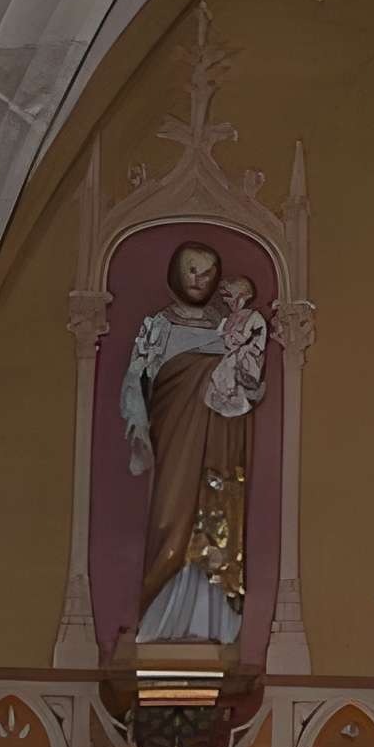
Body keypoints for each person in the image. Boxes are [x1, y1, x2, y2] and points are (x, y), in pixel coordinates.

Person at [120, 242, 266, 644]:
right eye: (191, 270)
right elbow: (137, 380)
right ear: (175, 273)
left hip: (221, 442)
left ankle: (212, 617)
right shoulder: (159, 326)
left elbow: (248, 381)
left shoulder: (230, 326)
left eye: (207, 273)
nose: (199, 280)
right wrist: (138, 423)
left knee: (217, 512)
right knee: (171, 513)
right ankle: (160, 615)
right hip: (174, 438)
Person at [206, 276, 267, 420]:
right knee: (218, 374)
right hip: (228, 357)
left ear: (243, 296)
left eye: (231, 296)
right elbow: (219, 341)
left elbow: (258, 344)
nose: (228, 301)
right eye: (226, 297)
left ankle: (237, 400)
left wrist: (243, 348)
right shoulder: (226, 320)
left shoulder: (255, 317)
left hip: (246, 359)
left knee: (232, 371)